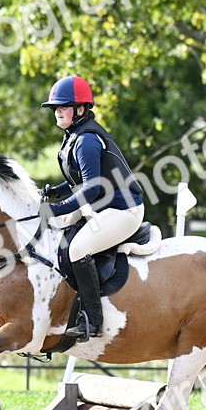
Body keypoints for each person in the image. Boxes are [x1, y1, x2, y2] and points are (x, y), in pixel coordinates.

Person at [40, 75, 144, 341]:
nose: (58, 111)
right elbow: (79, 179)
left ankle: (92, 321)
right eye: (56, 107)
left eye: (64, 106)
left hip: (124, 211)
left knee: (78, 249)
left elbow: (91, 189)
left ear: (80, 109)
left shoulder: (86, 139)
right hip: (104, 207)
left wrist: (57, 209)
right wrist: (56, 191)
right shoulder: (75, 136)